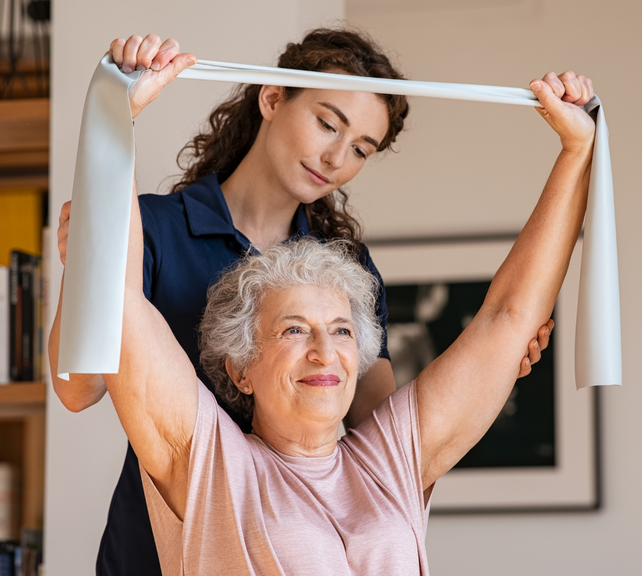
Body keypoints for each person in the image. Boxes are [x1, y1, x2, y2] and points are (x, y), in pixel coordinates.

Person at [49, 41, 594, 573]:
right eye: (328, 124)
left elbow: (500, 322)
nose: (325, 353)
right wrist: (115, 113)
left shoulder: (351, 280)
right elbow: (90, 366)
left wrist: (490, 368)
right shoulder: (215, 464)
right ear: (272, 99)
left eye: (341, 331)